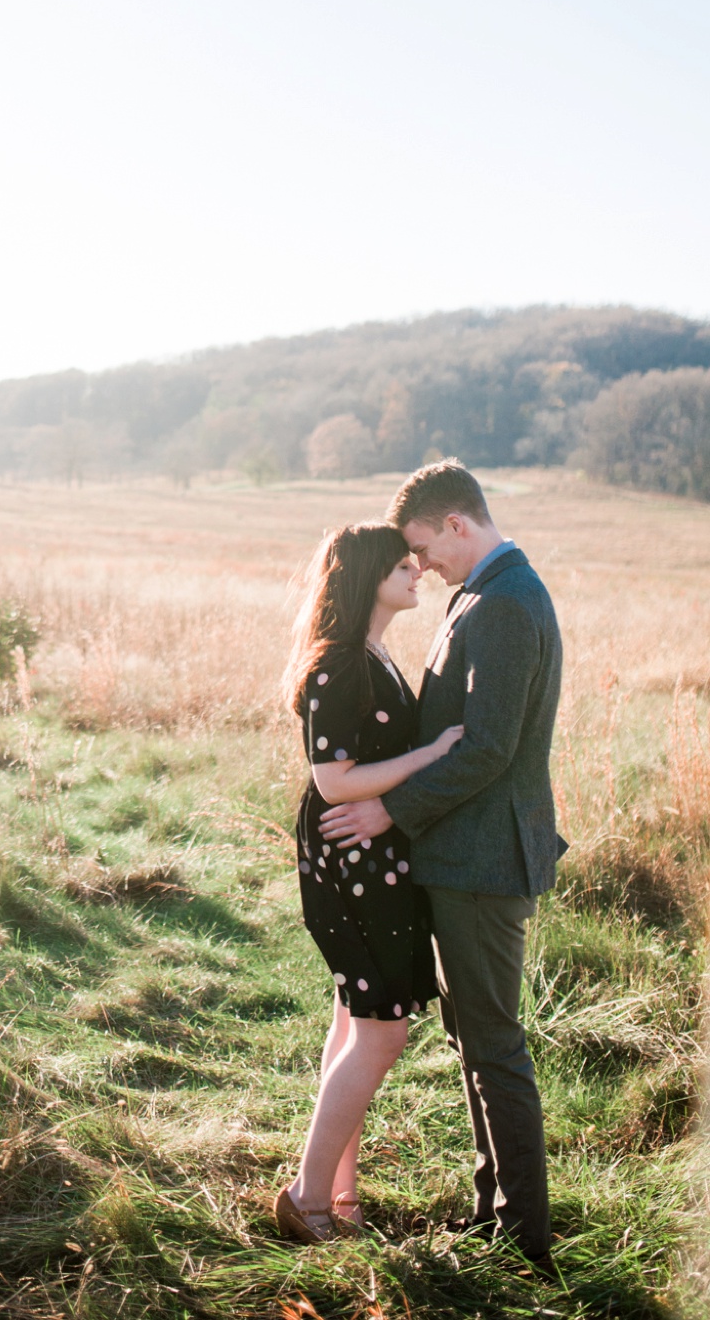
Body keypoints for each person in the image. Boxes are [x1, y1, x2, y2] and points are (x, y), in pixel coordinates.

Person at [319, 460, 565, 1271]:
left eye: (424, 549)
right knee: (476, 1042)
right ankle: (494, 1211)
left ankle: (523, 1239)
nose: (421, 567)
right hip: (463, 858)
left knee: (494, 1045)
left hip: (485, 863)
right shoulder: (480, 594)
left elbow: (489, 748)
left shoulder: (502, 605)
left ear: (458, 524)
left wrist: (391, 808)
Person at [275, 522, 464, 1244]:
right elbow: (333, 779)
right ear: (366, 576)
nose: (416, 570)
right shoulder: (338, 663)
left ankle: (338, 1198)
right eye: (400, 564)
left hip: (373, 859)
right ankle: (307, 1197)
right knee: (382, 1033)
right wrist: (432, 755)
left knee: (355, 1021)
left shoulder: (375, 654)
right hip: (350, 860)